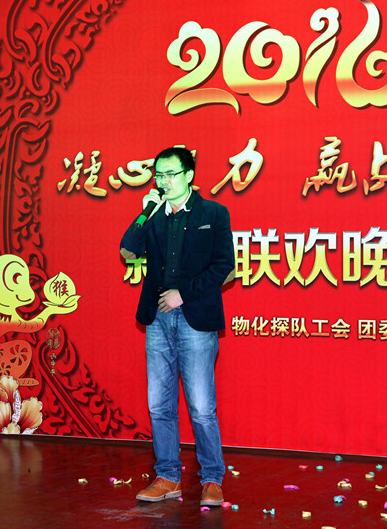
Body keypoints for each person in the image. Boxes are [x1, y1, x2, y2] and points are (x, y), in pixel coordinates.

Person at [120, 147, 235, 506]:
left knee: (201, 406)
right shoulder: (154, 213)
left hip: (195, 317)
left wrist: (182, 294)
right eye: (159, 175)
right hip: (157, 318)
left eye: (171, 174)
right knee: (159, 404)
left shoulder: (213, 213)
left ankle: (212, 478)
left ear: (189, 175)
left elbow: (225, 267)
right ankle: (167, 476)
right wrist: (145, 212)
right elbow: (127, 249)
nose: (164, 181)